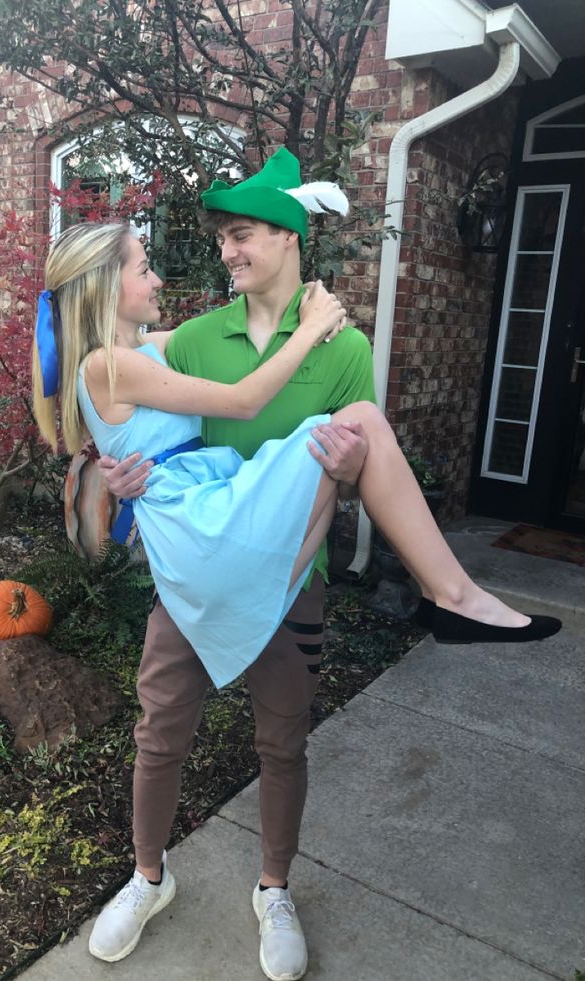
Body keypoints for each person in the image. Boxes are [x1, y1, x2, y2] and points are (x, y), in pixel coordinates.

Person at [33, 150, 561, 981]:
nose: (222, 254)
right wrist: (108, 474)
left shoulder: (341, 350)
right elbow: (110, 416)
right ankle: (146, 877)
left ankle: (273, 887)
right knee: (159, 732)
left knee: (283, 741)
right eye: (221, 240)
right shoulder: (197, 340)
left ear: (288, 238)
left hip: (291, 571)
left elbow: (358, 470)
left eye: (240, 235)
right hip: (198, 570)